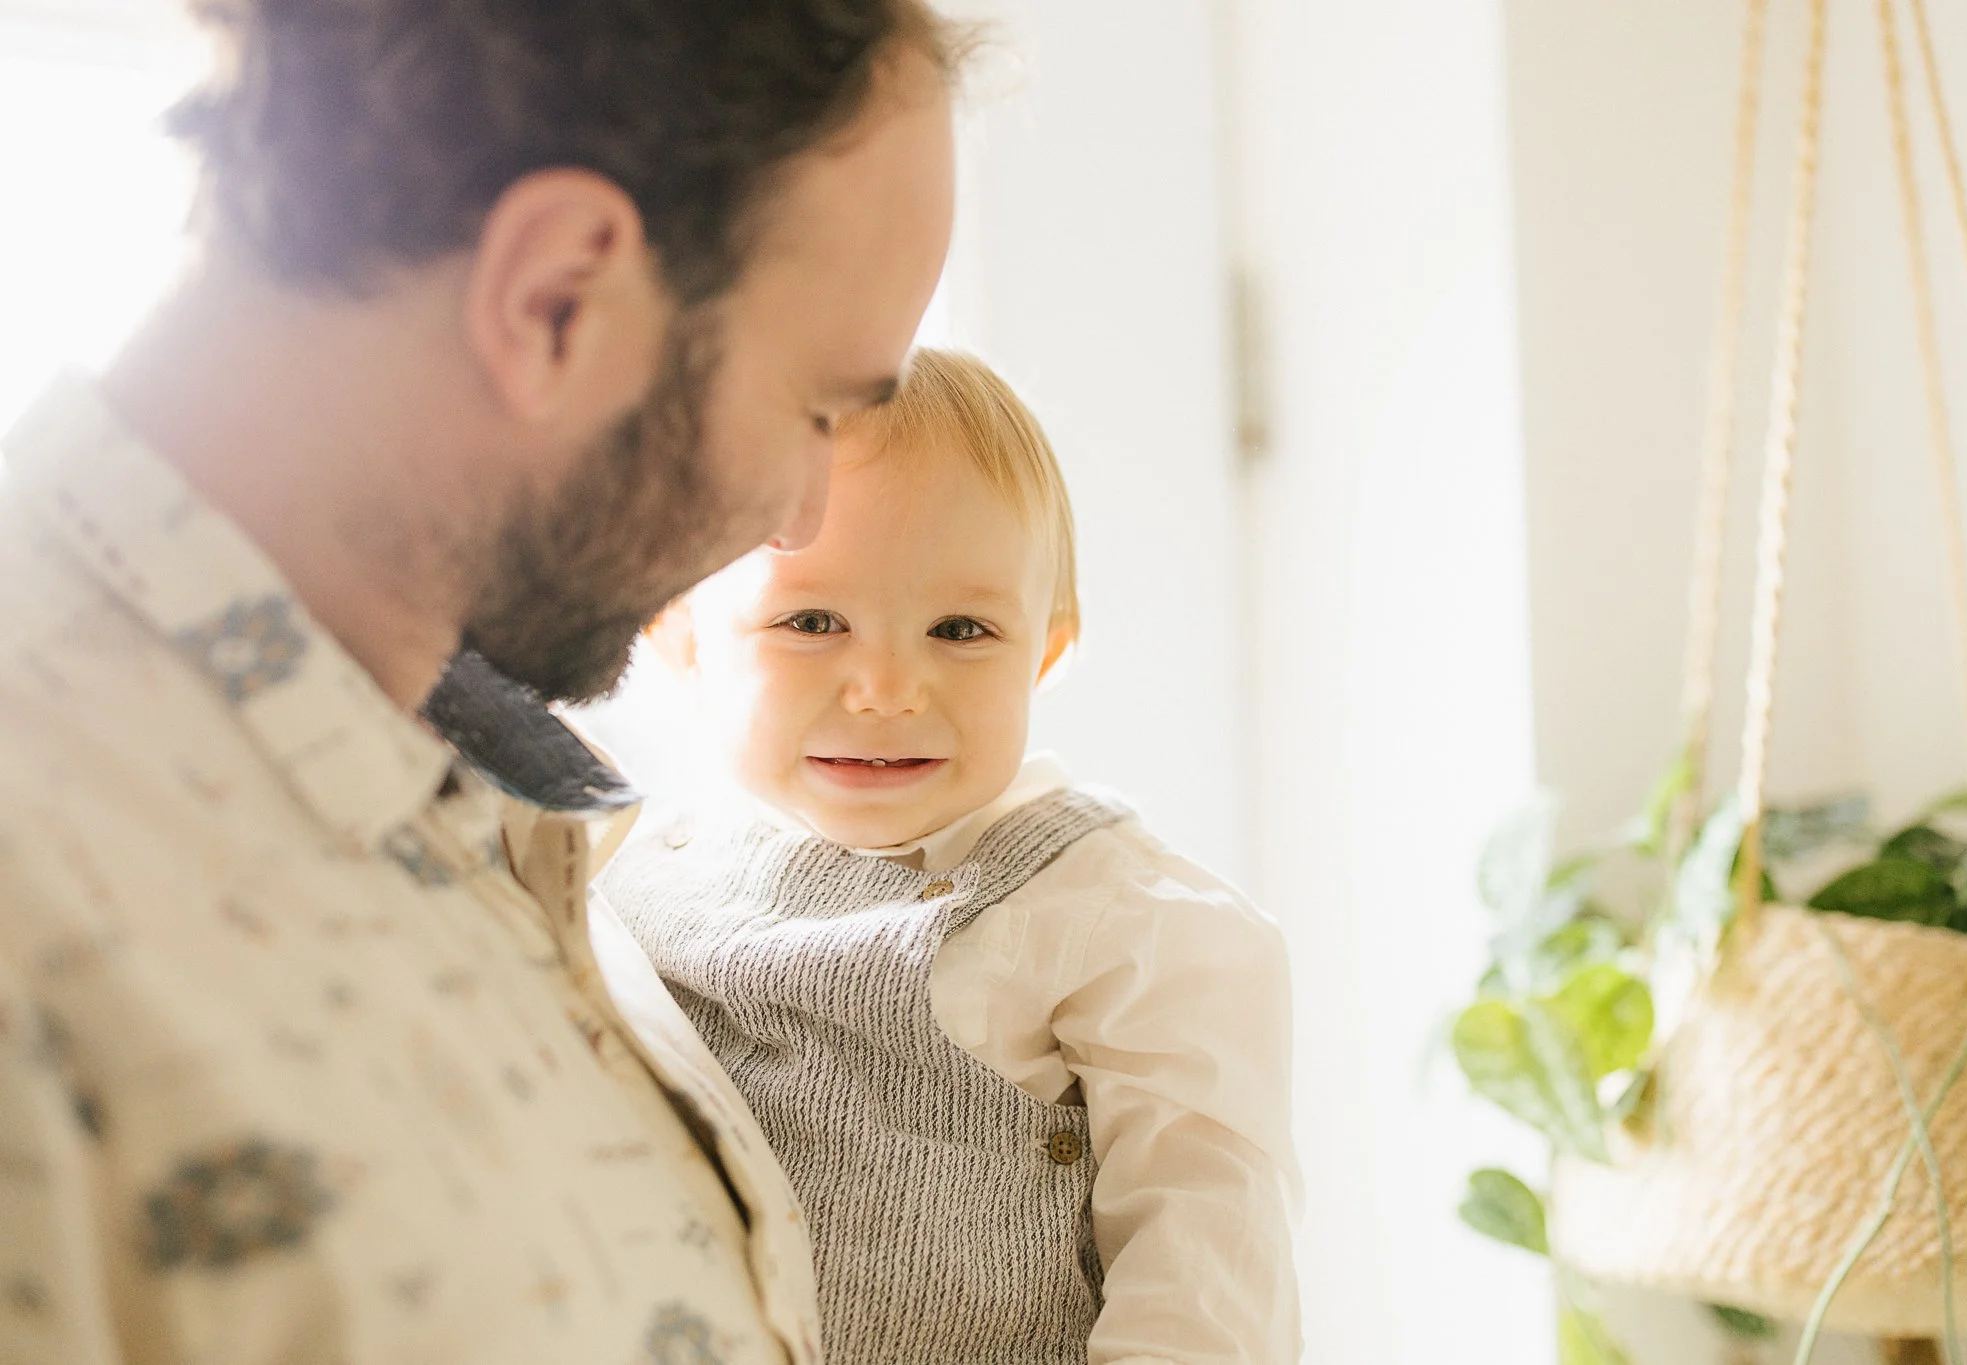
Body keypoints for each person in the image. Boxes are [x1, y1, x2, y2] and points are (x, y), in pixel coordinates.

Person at [0, 2, 959, 1361]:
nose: (801, 515)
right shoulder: (41, 910)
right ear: (555, 296)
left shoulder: (480, 806)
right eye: (816, 406)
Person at [600, 349, 1303, 1365]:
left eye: (960, 629)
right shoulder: (629, 871)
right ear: (680, 639)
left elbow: (1208, 1269)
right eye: (810, 621)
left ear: (1042, 655)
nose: (887, 686)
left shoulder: (1107, 920)